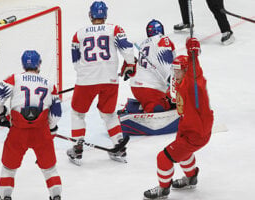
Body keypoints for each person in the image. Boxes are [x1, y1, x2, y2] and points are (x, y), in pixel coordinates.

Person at [143, 38, 214, 199]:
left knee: (163, 157)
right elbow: (175, 94)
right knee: (184, 154)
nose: (175, 73)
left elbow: (195, 74)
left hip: (196, 132)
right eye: (174, 70)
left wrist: (193, 55)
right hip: (188, 128)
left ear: (187, 70)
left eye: (179, 70)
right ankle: (191, 178)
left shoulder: (194, 83)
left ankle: (163, 189)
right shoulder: (181, 82)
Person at [67, 1, 136, 165]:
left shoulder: (79, 34)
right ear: (105, 15)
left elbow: (76, 61)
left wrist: (86, 74)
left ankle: (77, 148)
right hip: (110, 80)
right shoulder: (115, 29)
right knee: (109, 114)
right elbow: (127, 49)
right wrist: (131, 64)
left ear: (90, 15)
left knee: (77, 113)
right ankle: (119, 146)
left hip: (86, 80)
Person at [0, 50, 62, 200]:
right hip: (41, 133)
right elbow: (56, 114)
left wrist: (1, 114)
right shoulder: (49, 85)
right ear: (39, 64)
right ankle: (56, 196)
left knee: (9, 168)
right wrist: (51, 128)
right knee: (50, 169)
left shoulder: (14, 79)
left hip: (18, 132)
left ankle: (5, 196)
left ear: (23, 64)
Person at [129, 19, 176, 113]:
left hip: (136, 86)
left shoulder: (143, 43)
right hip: (150, 89)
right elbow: (167, 65)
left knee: (169, 101)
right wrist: (175, 85)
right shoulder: (163, 39)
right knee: (161, 108)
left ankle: (136, 106)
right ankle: (147, 107)